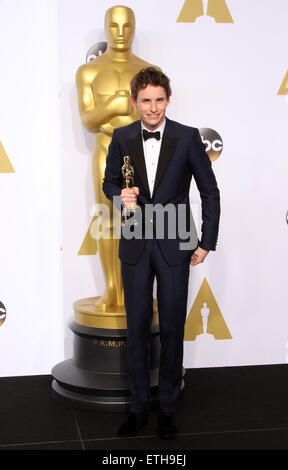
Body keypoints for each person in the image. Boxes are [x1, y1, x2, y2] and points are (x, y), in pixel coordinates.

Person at [102, 67, 220, 439]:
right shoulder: (121, 137)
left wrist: (206, 242)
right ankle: (137, 408)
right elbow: (110, 182)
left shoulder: (187, 137)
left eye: (159, 100)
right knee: (135, 329)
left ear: (168, 100)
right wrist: (120, 196)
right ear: (135, 101)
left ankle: (167, 408)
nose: (153, 108)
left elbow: (209, 191)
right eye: (146, 101)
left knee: (171, 328)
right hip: (135, 243)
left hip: (175, 244)